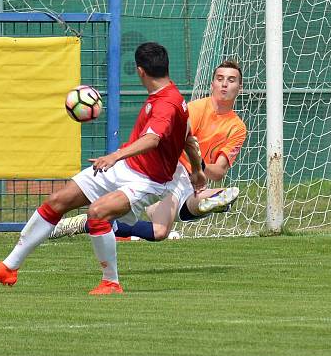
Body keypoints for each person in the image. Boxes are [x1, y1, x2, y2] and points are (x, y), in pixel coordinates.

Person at [0, 42, 206, 294]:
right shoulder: (171, 98)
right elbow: (188, 136)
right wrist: (198, 171)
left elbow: (152, 139)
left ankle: (110, 282)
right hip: (127, 167)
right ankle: (9, 267)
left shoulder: (166, 104)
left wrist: (115, 155)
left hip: (148, 180)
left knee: (98, 212)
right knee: (58, 200)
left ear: (140, 71)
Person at [49, 60, 247, 241]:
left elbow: (219, 171)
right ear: (212, 84)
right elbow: (180, 143)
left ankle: (210, 203)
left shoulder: (237, 127)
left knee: (216, 199)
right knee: (160, 229)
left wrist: (200, 169)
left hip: (193, 180)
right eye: (220, 79)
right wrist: (196, 168)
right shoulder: (194, 109)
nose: (224, 84)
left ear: (239, 87)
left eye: (231, 80)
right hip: (170, 171)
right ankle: (88, 221)